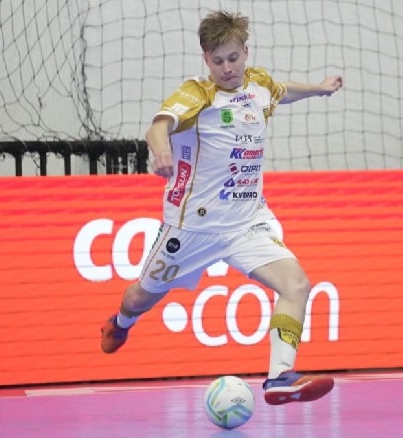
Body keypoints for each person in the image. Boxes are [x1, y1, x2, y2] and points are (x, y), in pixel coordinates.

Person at [100, 10, 343, 406]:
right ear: (205, 59)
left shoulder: (260, 83)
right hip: (193, 228)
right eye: (217, 61)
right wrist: (161, 152)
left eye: (233, 58)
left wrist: (319, 88)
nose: (227, 68)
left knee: (297, 284)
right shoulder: (198, 94)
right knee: (138, 299)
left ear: (245, 52)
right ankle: (121, 324)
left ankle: (280, 378)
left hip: (247, 222)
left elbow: (282, 90)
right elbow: (158, 125)